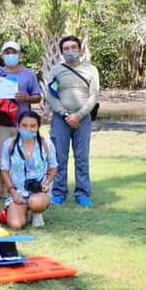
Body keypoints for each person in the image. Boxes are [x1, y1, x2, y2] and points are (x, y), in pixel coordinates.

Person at [0, 41, 42, 201]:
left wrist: (26, 97)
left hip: (23, 122)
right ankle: (0, 189)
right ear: (2, 55)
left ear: (20, 55)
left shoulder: (28, 74)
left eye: (13, 52)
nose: (10, 55)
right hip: (1, 120)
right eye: (7, 52)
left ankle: (24, 187)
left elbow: (38, 96)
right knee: (0, 156)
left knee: (25, 154)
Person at [46, 35, 100, 206]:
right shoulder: (56, 70)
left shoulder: (91, 70)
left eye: (73, 47)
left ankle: (83, 193)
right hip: (61, 119)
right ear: (62, 52)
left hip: (83, 119)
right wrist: (65, 115)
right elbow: (50, 95)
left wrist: (79, 115)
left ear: (80, 50)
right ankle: (59, 192)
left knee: (82, 157)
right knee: (59, 157)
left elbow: (94, 96)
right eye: (66, 49)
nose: (70, 51)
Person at [0, 111, 57, 229]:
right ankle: (22, 210)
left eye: (32, 126)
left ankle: (37, 212)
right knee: (16, 225)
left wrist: (46, 183)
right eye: (24, 125)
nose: (28, 129)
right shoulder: (10, 144)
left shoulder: (46, 144)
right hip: (18, 192)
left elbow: (53, 167)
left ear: (38, 127)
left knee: (36, 202)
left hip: (39, 192)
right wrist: (13, 192)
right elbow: (4, 169)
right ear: (18, 126)